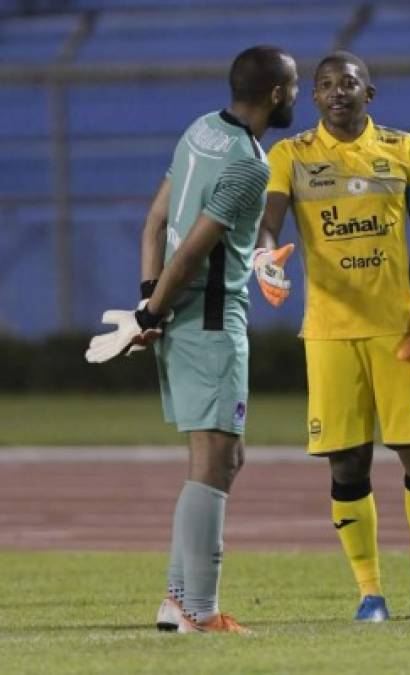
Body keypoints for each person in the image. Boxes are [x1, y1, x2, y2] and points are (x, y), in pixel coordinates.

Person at [255, 51, 410, 621]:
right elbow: (270, 217)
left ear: (368, 93)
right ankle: (369, 595)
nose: (337, 91)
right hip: (330, 335)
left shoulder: (404, 149)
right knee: (348, 464)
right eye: (325, 84)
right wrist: (264, 256)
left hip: (400, 332)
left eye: (348, 83)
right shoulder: (291, 154)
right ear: (313, 96)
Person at [85, 46, 299, 634]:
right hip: (209, 321)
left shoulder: (200, 130)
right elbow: (195, 247)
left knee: (222, 457)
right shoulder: (251, 165)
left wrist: (148, 304)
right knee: (216, 460)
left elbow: (155, 221)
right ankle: (196, 609)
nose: (297, 96)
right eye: (296, 87)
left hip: (179, 319)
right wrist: (150, 311)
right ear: (278, 94)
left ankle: (176, 600)